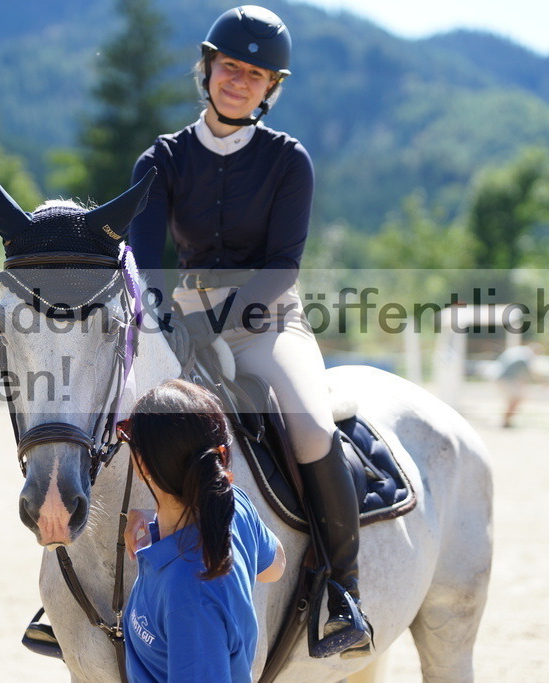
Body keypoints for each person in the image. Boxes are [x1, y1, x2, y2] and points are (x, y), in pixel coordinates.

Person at [128, 5, 371, 655]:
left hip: (266, 320)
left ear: (272, 88)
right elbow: (144, 259)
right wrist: (174, 325)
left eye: (256, 73)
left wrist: (220, 325)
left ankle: (339, 589)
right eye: (230, 65)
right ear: (206, 69)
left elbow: (281, 265)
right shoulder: (162, 159)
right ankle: (70, 585)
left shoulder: (289, 162)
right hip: (178, 320)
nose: (240, 79)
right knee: (113, 414)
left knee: (311, 424)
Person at [119, 379, 286, 681]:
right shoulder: (234, 505)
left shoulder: (188, 594)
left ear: (142, 465)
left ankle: (342, 581)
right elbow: (275, 566)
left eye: (126, 435)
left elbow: (193, 592)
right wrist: (153, 519)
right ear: (221, 456)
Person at [494, 342, 545, 428]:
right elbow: (530, 372)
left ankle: (507, 420)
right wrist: (543, 382)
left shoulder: (519, 352)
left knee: (515, 399)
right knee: (516, 399)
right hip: (505, 379)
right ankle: (506, 421)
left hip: (501, 377)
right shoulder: (526, 356)